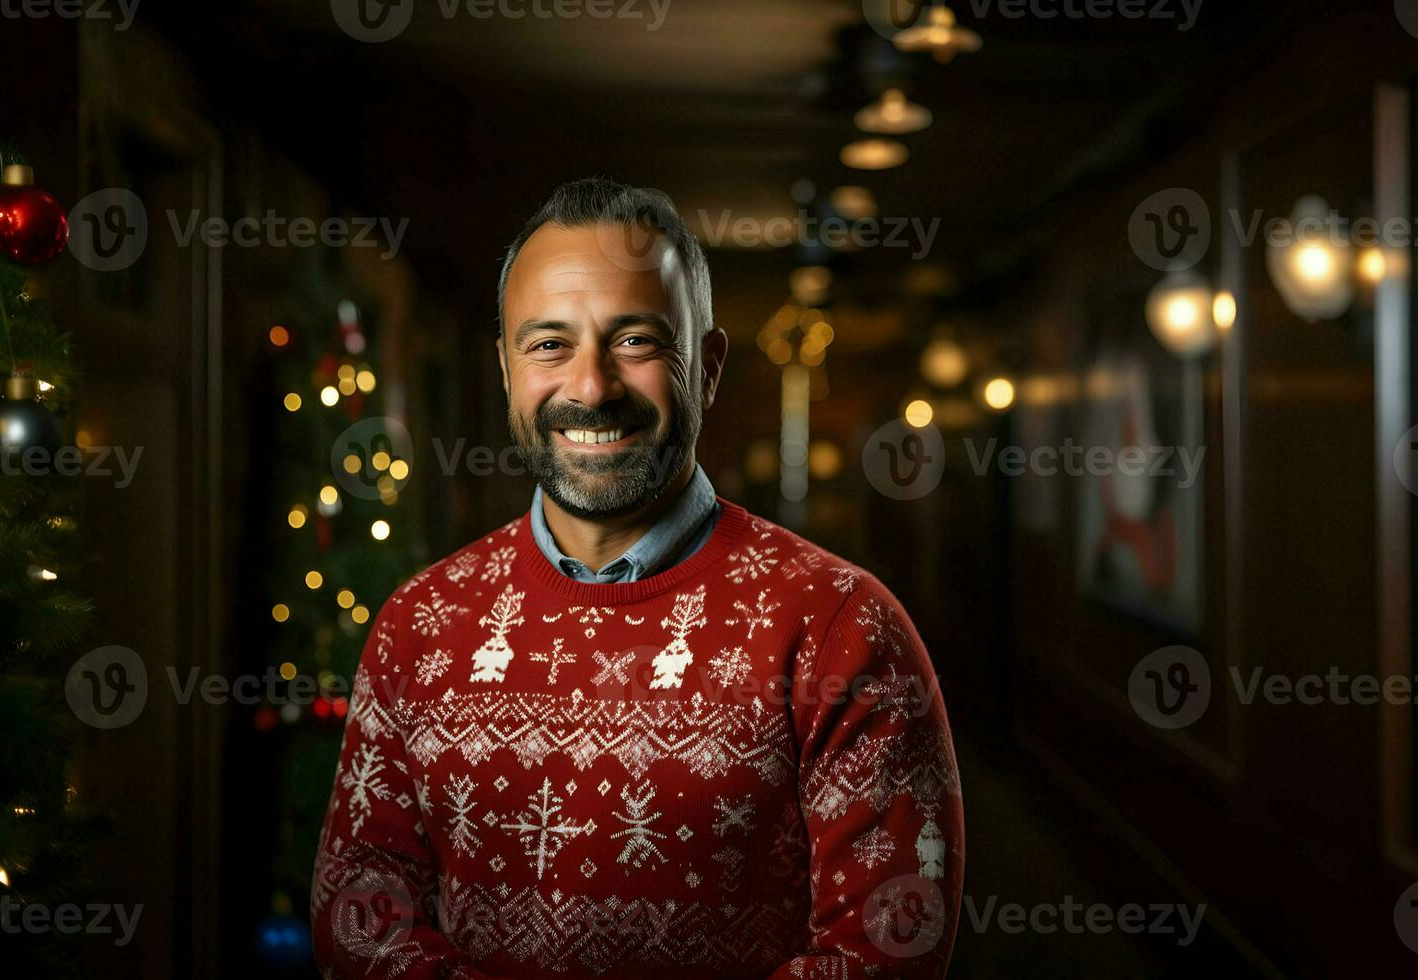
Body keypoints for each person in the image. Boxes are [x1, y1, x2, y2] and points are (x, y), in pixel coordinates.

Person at [311, 178, 962, 979]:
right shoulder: (420, 622)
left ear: (709, 367)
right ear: (507, 370)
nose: (591, 387)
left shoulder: (840, 624)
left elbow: (889, 946)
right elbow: (360, 914)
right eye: (549, 344)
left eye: (636, 341)